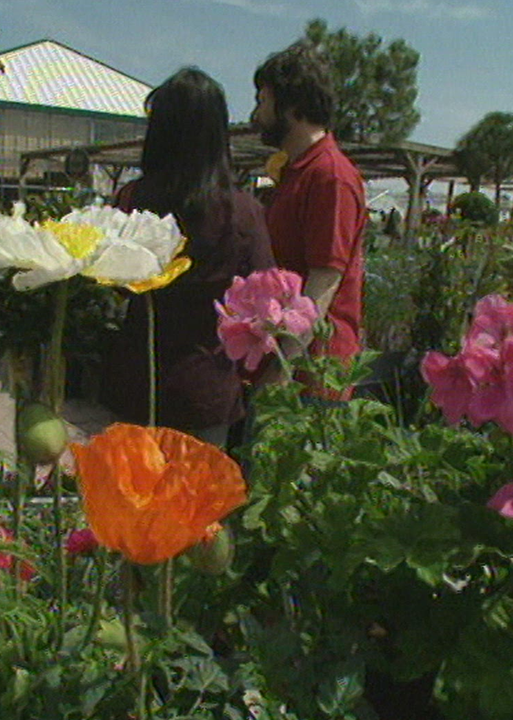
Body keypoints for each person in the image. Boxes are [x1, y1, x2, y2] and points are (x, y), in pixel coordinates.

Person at [102, 67, 275, 447]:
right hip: (207, 385)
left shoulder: (132, 201)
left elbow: (112, 284)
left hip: (138, 377)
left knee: (130, 499)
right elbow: (266, 297)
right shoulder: (243, 211)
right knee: (197, 501)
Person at [251, 41, 366, 395]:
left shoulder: (329, 176)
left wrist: (285, 369)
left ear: (293, 106)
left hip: (312, 373)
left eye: (263, 101)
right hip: (289, 361)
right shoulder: (299, 171)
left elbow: (323, 282)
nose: (257, 114)